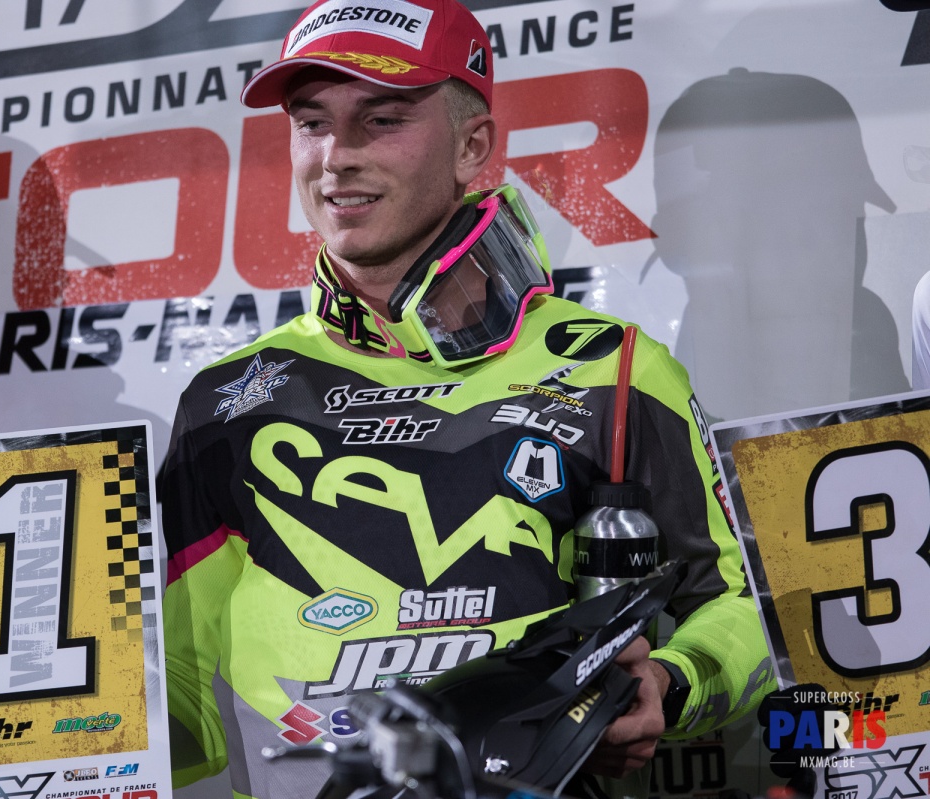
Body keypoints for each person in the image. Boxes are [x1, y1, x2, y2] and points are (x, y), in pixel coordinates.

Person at [160, 1, 772, 797]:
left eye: (381, 119)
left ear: (472, 145)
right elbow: (171, 683)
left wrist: (670, 680)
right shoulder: (226, 400)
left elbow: (749, 605)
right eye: (312, 123)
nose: (335, 156)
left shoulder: (612, 369)